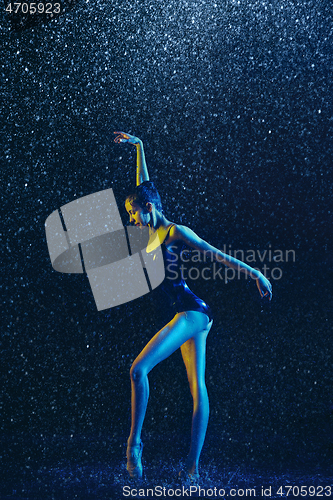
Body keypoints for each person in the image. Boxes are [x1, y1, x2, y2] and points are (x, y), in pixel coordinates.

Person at [114, 131, 272, 482]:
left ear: (149, 210)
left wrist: (255, 273)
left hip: (191, 311)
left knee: (138, 371)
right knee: (196, 388)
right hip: (192, 315)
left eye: (133, 213)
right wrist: (139, 147)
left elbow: (216, 255)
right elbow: (146, 186)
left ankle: (133, 446)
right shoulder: (150, 228)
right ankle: (192, 469)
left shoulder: (175, 233)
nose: (132, 220)